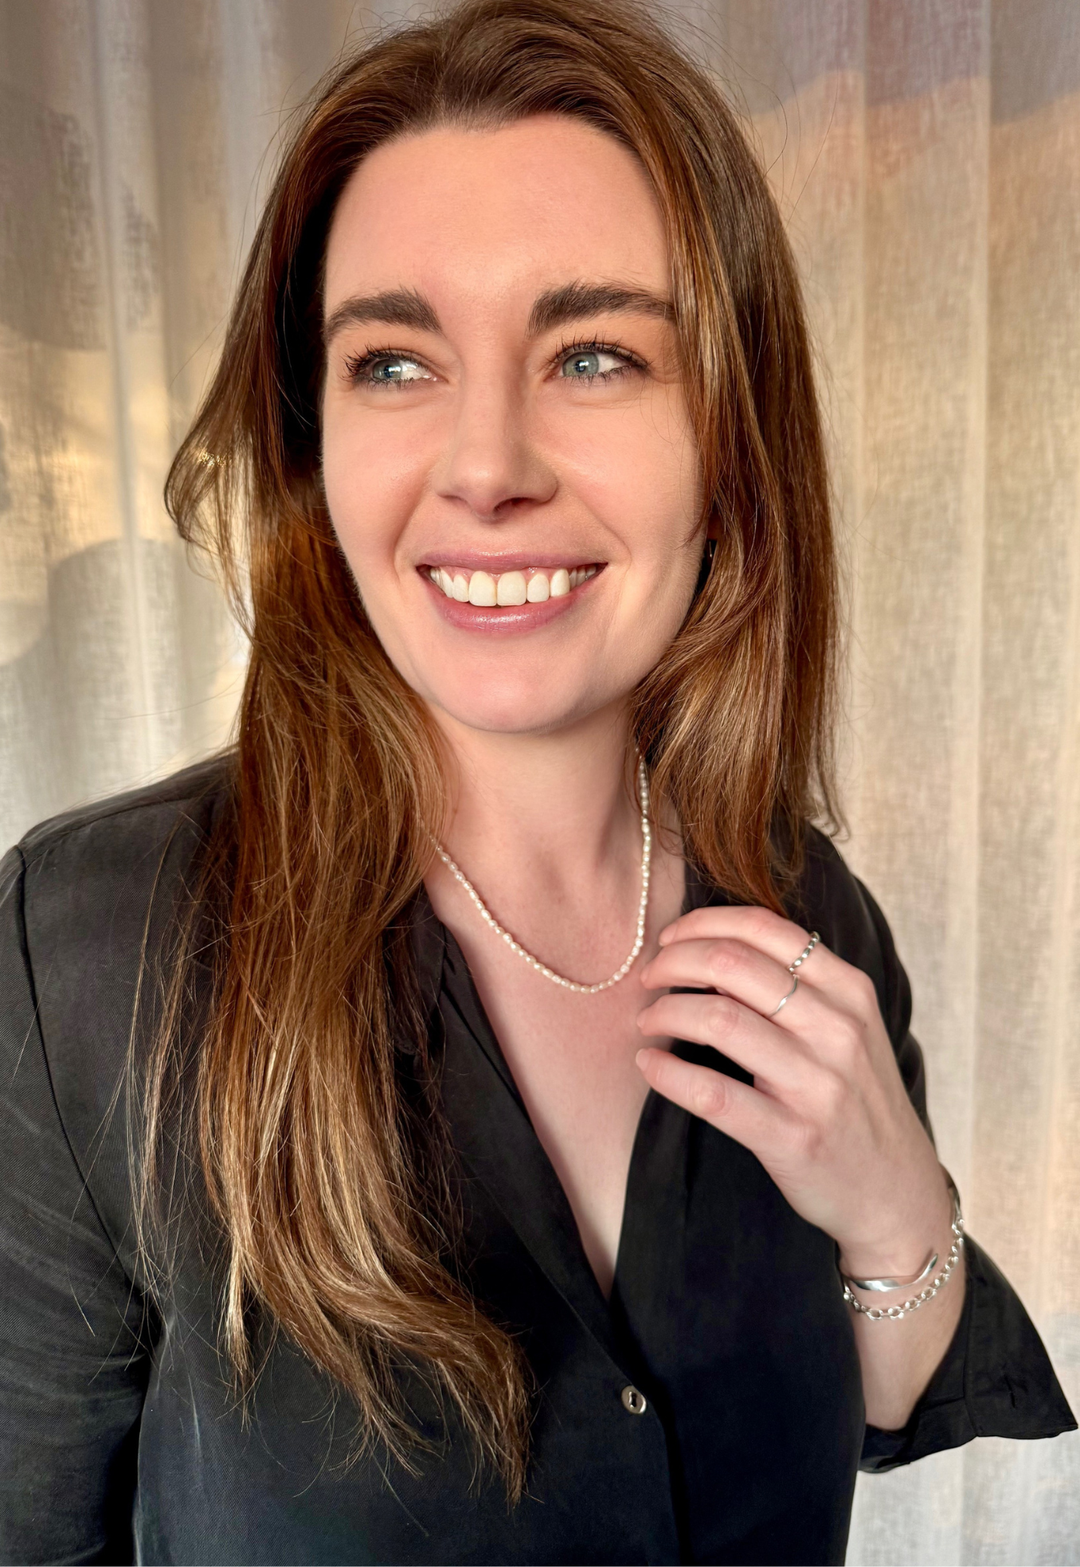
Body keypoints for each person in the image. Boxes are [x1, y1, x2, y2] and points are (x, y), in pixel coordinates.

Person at [0, 1, 1073, 1563]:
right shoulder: (89, 956)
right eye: (394, 360)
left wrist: (900, 1212)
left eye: (593, 353)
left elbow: (893, 1400)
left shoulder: (809, 912)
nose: (487, 462)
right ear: (316, 443)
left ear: (732, 441)